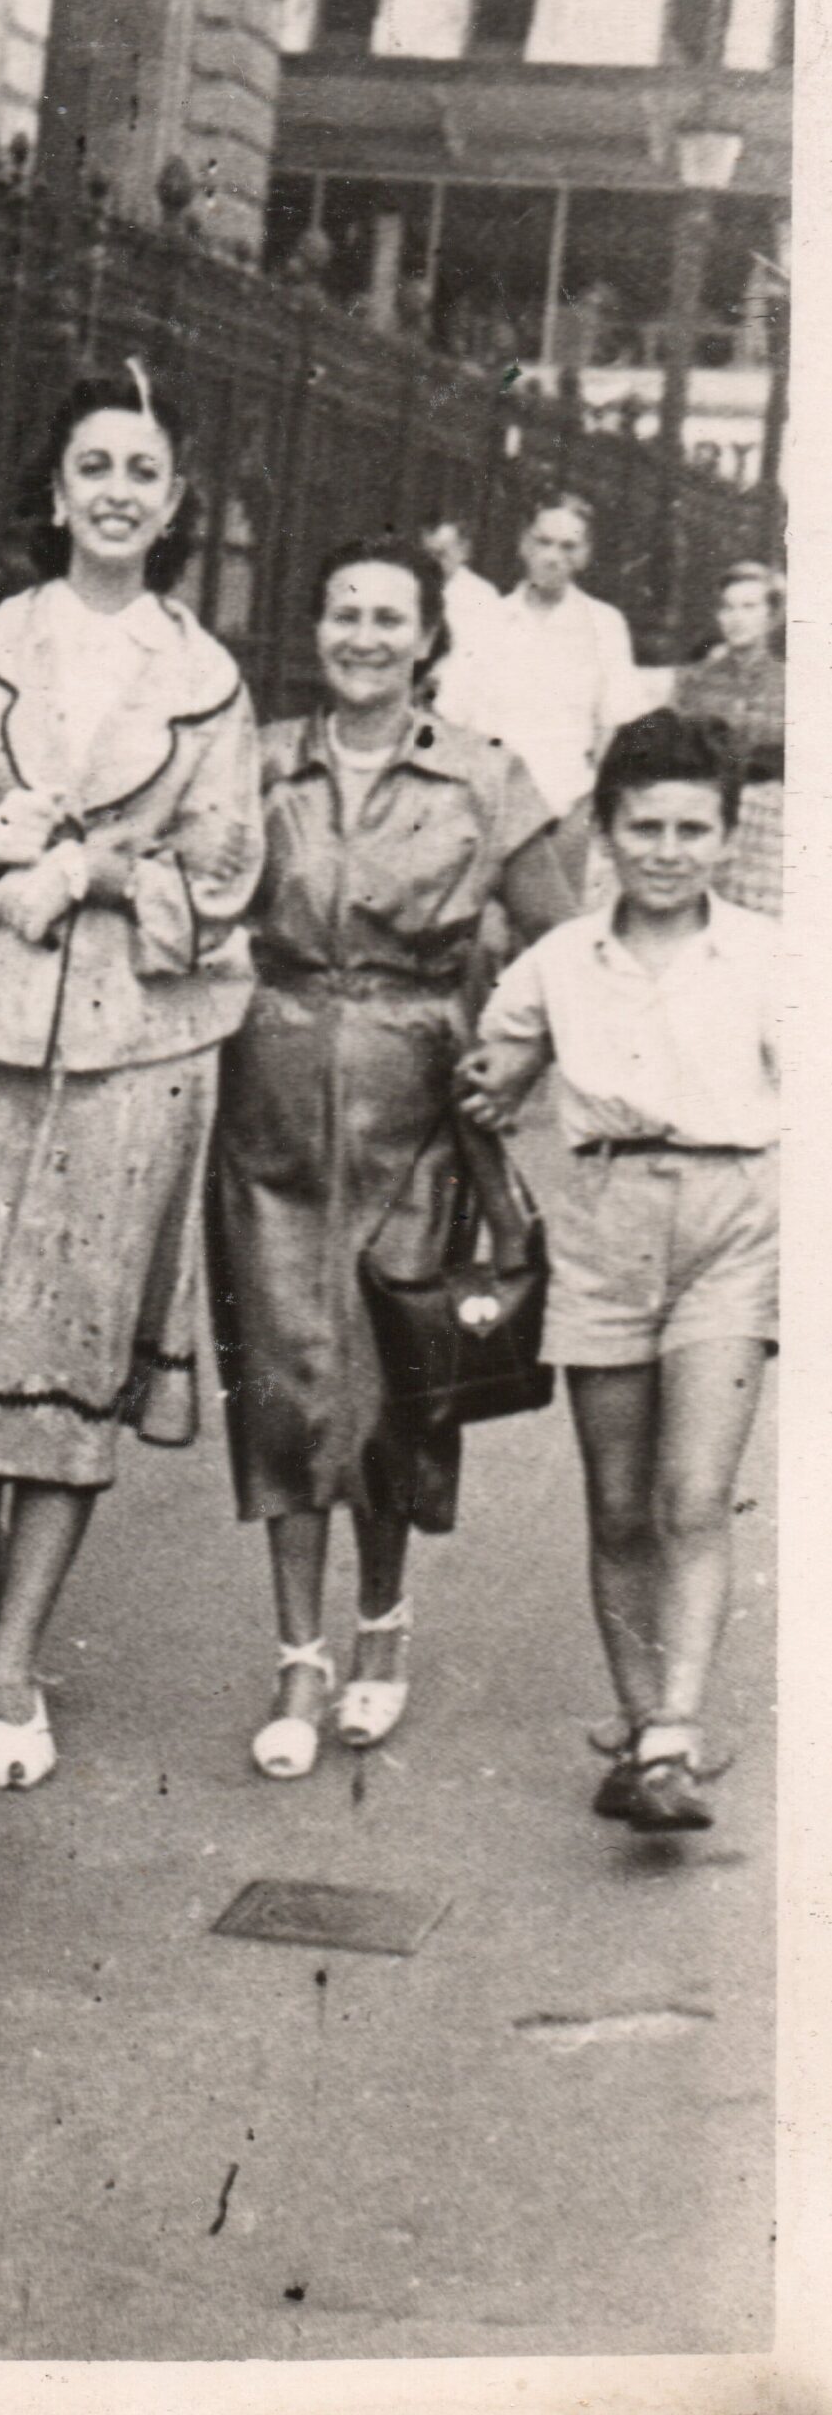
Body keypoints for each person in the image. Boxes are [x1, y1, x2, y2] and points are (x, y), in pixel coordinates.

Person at [0, 366, 264, 1792]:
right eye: (93, 464)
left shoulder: (207, 685)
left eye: (142, 471)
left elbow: (226, 875)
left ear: (175, 502)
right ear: (52, 489)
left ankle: (16, 1658)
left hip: (136, 1054)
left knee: (74, 1351)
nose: (116, 492)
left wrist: (92, 870)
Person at [207, 534, 574, 1780]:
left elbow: (563, 939)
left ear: (429, 639)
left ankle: (380, 1626)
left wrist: (513, 1059)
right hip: (268, 1092)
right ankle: (295, 1652)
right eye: (343, 612)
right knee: (282, 1372)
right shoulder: (256, 764)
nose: (365, 636)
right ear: (316, 630)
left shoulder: (484, 777)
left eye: (390, 618)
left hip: (418, 1105)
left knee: (392, 1368)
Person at [460, 711, 776, 1833]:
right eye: (647, 826)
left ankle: (676, 1738)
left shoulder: (769, 958)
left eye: (695, 828)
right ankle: (643, 1728)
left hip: (734, 1225)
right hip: (600, 1227)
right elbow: (491, 1072)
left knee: (694, 1493)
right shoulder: (560, 962)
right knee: (618, 1501)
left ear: (728, 838)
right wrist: (497, 1088)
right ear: (607, 831)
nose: (669, 849)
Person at [436, 493, 643, 896]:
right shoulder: (485, 621)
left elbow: (615, 728)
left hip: (564, 812)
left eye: (569, 546)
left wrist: (591, 811)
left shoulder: (604, 625)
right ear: (524, 545)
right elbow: (451, 721)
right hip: (487, 815)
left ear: (585, 554)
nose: (553, 556)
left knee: (552, 941)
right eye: (543, 542)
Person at [671, 562, 784, 917]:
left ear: (772, 615)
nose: (736, 618)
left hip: (769, 829)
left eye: (749, 608)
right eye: (728, 607)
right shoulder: (694, 682)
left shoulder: (795, 685)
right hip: (706, 814)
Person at [418, 516, 500, 669]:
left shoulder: (481, 596)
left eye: (441, 554)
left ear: (464, 551)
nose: (433, 562)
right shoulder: (414, 587)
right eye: (428, 554)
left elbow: (484, 654)